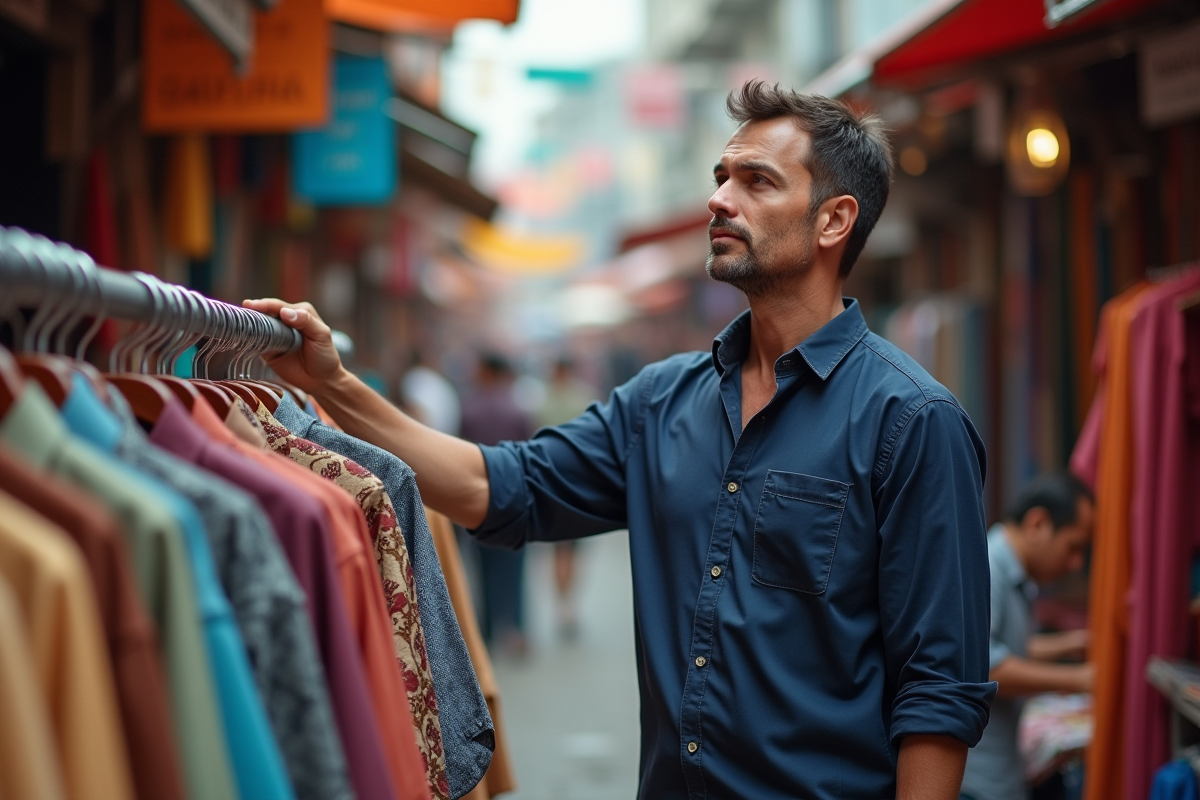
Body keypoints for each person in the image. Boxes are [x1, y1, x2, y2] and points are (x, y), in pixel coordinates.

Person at [246, 80, 995, 800]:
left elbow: (940, 688)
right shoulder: (663, 401)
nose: (719, 198)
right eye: (720, 176)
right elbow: (498, 489)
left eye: (756, 182)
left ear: (834, 221)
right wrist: (334, 386)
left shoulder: (913, 420)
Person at [960, 474, 1095, 800]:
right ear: (1037, 524)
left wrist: (1072, 643)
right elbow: (986, 665)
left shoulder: (1016, 573)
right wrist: (1081, 679)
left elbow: (1011, 646)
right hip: (978, 782)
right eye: (1073, 547)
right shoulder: (988, 566)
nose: (1076, 563)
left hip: (1002, 774)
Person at [459, 353, 533, 655]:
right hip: (515, 500)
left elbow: (459, 456)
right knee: (514, 570)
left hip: (477, 503)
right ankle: (514, 629)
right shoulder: (518, 410)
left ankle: (486, 632)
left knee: (484, 568)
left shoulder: (470, 410)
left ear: (486, 372)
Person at [534, 356, 598, 640]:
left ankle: (563, 605)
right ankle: (569, 605)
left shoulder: (541, 402)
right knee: (573, 549)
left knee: (559, 548)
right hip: (578, 484)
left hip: (550, 484)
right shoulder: (583, 398)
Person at [398, 349, 461, 436]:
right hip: (444, 439)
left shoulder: (416, 376)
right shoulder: (439, 381)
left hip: (427, 437)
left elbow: (418, 413)